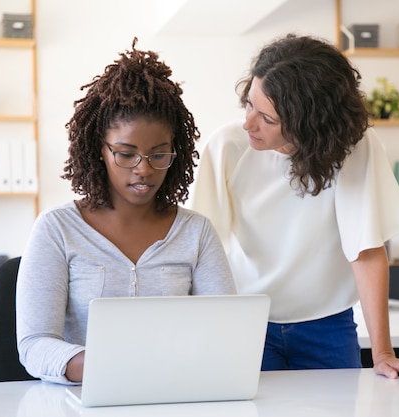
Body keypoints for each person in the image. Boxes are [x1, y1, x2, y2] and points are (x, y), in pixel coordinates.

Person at [191, 33, 399, 381]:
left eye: (267, 118)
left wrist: (383, 354)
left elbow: (365, 250)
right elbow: (202, 251)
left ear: (308, 124)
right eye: (249, 104)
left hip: (327, 325)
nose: (249, 123)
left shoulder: (353, 148)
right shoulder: (227, 147)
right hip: (246, 321)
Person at [16, 39, 236, 384]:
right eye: (126, 153)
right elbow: (34, 345)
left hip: (174, 396)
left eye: (158, 154)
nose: (143, 170)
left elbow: (226, 334)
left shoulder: (197, 233)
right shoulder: (57, 229)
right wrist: (103, 366)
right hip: (84, 401)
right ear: (99, 150)